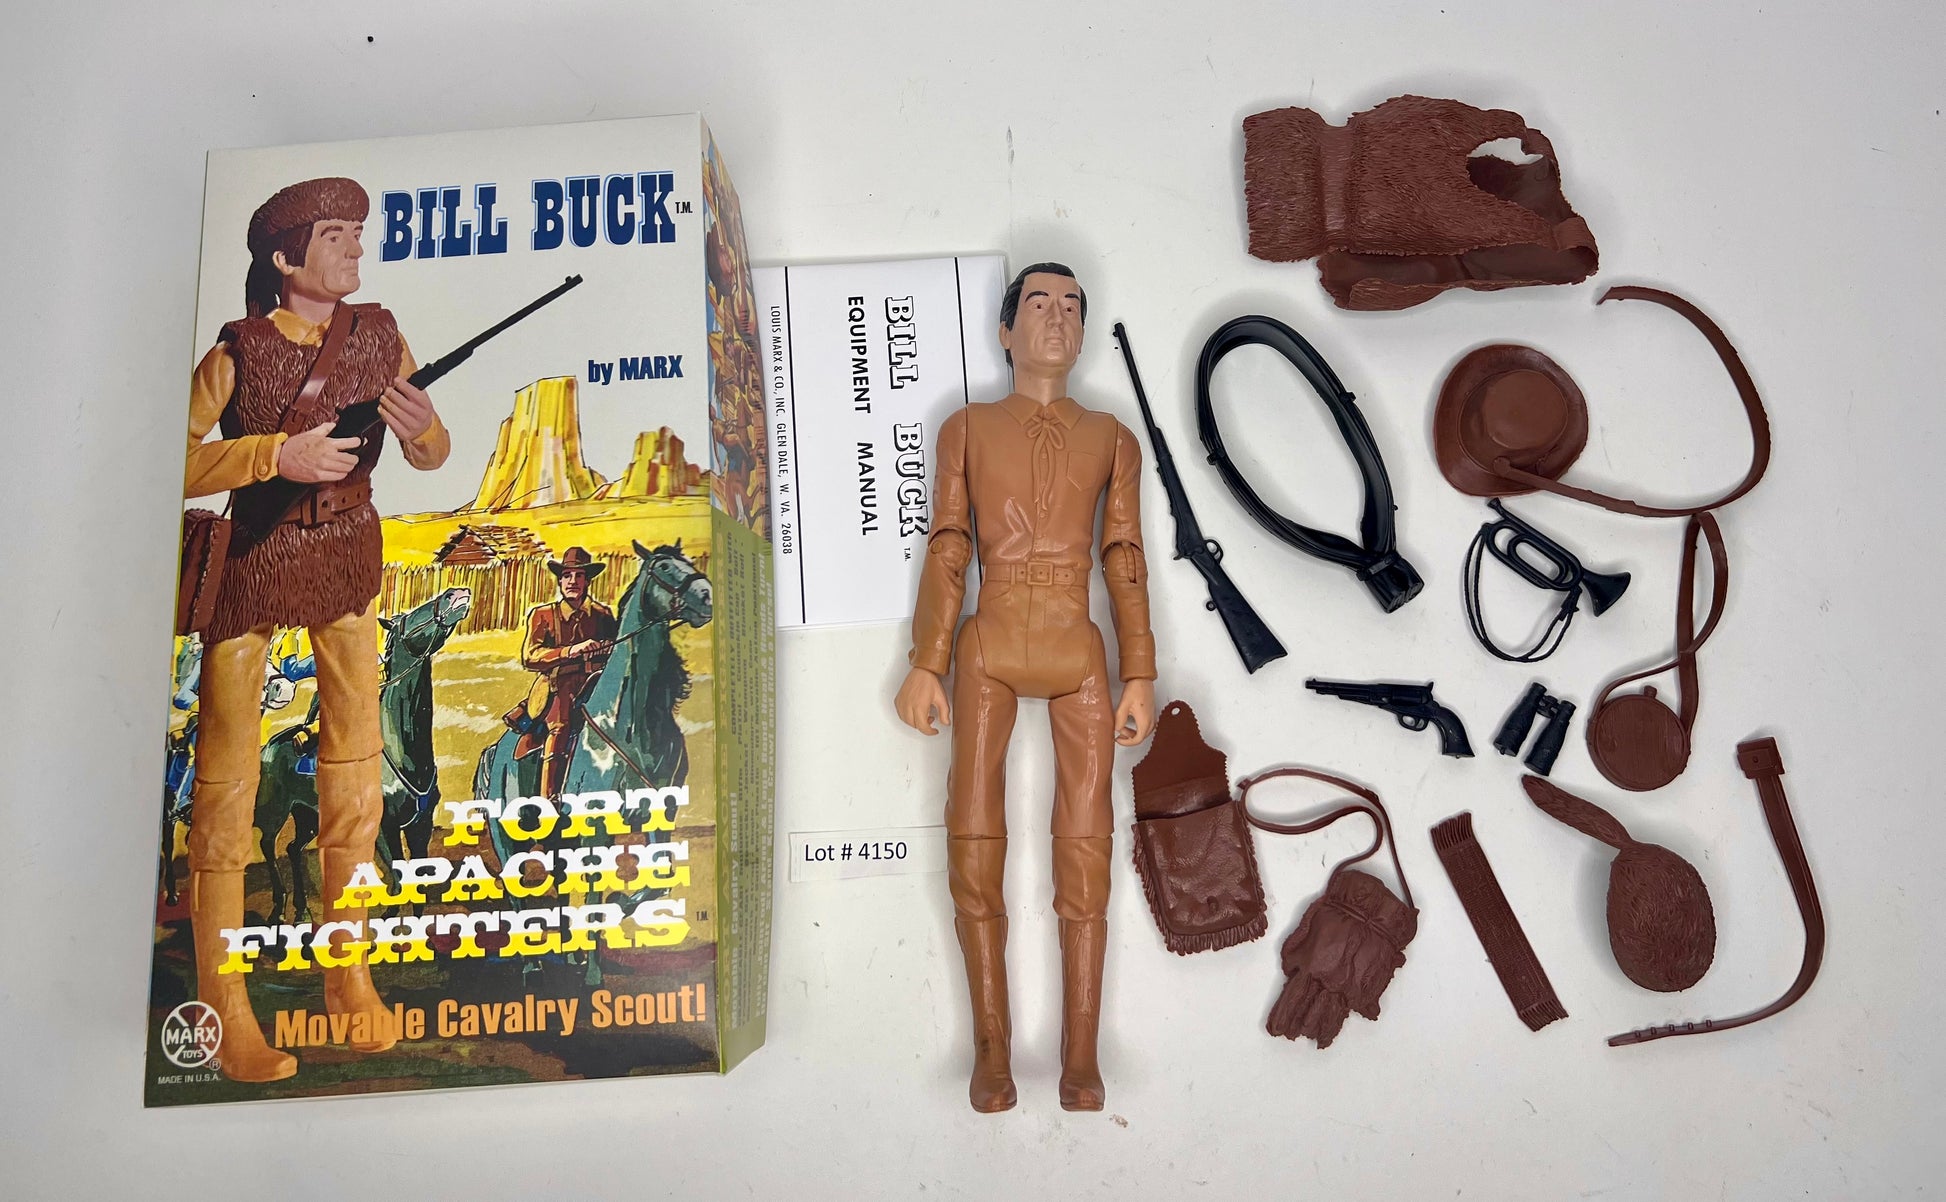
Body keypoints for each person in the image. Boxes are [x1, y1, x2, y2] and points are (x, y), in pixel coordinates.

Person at [182, 176, 451, 1082]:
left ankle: (349, 976)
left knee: (356, 772)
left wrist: (423, 430)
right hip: (254, 558)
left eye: (356, 233)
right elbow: (170, 458)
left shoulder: (380, 335)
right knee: (226, 781)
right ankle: (224, 1005)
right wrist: (274, 456)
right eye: (334, 234)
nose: (354, 247)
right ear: (284, 256)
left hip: (345, 555)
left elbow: (434, 451)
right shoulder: (239, 350)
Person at [893, 263, 1157, 1112]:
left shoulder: (1112, 438)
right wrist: (927, 659)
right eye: (1038, 304)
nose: (1057, 318)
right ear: (1005, 332)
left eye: (1072, 307)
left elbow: (1124, 557)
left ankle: (1081, 1055)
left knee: (1087, 845)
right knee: (975, 836)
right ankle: (991, 1051)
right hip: (992, 639)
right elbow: (948, 545)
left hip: (1078, 646)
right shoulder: (968, 429)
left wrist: (1140, 671)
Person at [507, 546, 619, 800]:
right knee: (560, 727)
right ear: (559, 581)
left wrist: (606, 647)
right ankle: (550, 799)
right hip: (558, 688)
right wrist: (570, 651)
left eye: (579, 576)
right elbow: (531, 656)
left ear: (587, 581)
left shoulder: (602, 614)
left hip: (595, 684)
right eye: (567, 575)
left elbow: (616, 650)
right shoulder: (543, 615)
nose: (572, 581)